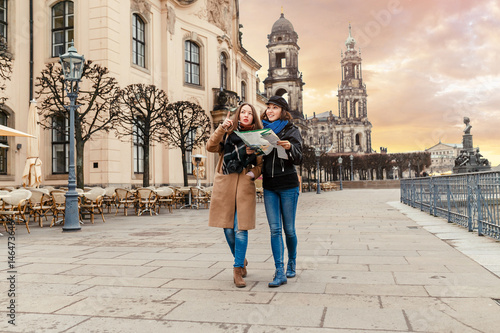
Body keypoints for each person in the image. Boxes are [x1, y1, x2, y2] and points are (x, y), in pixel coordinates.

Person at [206, 103, 263, 288]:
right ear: (238, 115)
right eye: (243, 112)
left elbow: (262, 164)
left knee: (240, 229)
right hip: (226, 183)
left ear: (254, 118)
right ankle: (241, 258)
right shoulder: (228, 133)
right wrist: (221, 127)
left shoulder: (258, 137)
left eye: (250, 113)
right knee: (228, 229)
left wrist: (252, 173)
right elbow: (210, 147)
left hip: (244, 185)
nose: (246, 115)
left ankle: (237, 269)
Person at [261, 96, 303, 288]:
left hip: (288, 184)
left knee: (289, 229)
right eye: (268, 107)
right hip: (269, 185)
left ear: (282, 111)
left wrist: (290, 147)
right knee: (275, 230)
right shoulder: (261, 130)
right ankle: (279, 270)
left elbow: (299, 157)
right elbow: (259, 159)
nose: (270, 111)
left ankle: (292, 261)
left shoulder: (291, 130)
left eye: (274, 108)